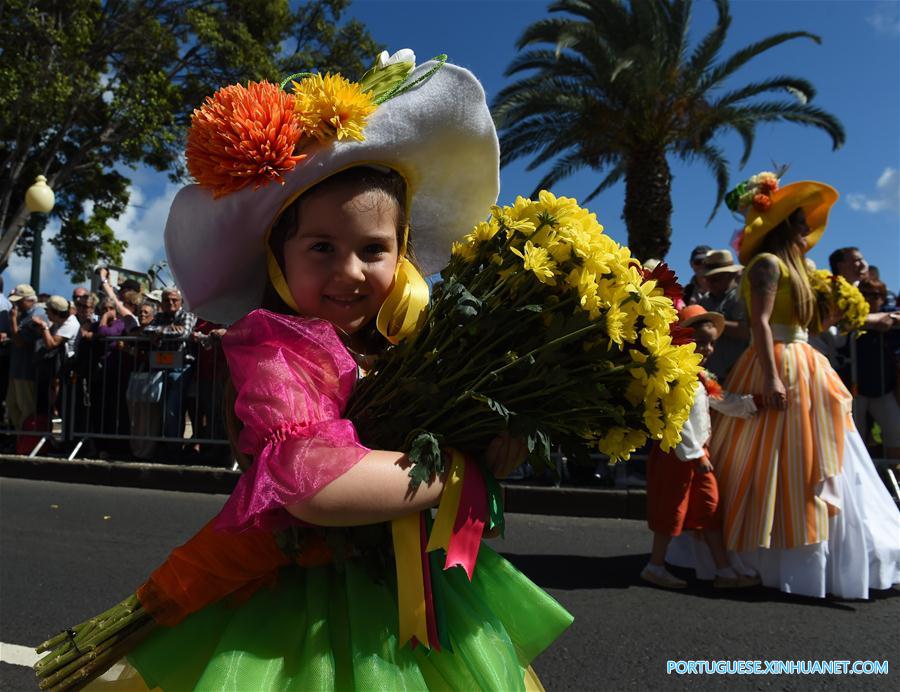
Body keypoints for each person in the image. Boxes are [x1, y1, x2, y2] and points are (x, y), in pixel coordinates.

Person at [82, 54, 572, 689]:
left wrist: (490, 447)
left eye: (374, 249)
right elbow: (314, 485)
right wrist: (460, 470)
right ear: (278, 260)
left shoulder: (411, 345)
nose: (349, 271)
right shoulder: (281, 350)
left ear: (405, 253)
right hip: (300, 604)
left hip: (409, 595)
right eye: (321, 248)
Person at [693, 174, 900, 599]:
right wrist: (769, 376)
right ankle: (760, 550)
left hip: (806, 363)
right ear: (787, 223)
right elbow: (761, 324)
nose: (808, 228)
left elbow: (812, 326)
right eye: (802, 220)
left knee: (820, 452)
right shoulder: (767, 265)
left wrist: (838, 309)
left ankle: (809, 552)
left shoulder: (804, 269)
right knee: (767, 455)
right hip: (776, 362)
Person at [641, 305, 760, 590]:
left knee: (705, 508)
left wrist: (753, 404)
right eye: (701, 342)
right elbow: (675, 420)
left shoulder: (699, 376)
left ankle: (722, 570)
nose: (707, 349)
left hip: (693, 455)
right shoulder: (675, 375)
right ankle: (657, 566)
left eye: (711, 343)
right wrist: (696, 456)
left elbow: (721, 400)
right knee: (675, 508)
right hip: (679, 454)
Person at [841, 278, 900, 460]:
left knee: (895, 432)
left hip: (883, 388)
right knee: (855, 436)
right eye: (865, 294)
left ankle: (893, 474)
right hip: (854, 390)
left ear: (883, 298)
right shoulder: (849, 312)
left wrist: (890, 318)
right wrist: (874, 322)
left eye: (875, 295)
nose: (870, 299)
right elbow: (846, 323)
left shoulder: (889, 313)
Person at [141, 286, 196, 449]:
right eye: (166, 300)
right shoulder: (159, 316)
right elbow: (147, 330)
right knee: (159, 407)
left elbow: (183, 333)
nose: (170, 303)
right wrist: (166, 330)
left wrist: (159, 333)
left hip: (181, 367)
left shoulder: (186, 314)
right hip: (160, 367)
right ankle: (165, 445)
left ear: (180, 302)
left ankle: (173, 448)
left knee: (173, 407)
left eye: (174, 300)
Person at [698, 249, 749, 380]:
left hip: (736, 374)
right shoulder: (705, 300)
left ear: (730, 275)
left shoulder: (740, 297)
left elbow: (745, 331)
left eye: (715, 279)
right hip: (711, 374)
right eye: (707, 279)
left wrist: (713, 323)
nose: (710, 283)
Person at [829, 247, 900, 332]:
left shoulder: (872, 288)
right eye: (857, 261)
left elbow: (894, 310)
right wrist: (883, 316)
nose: (864, 264)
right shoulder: (826, 289)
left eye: (863, 259)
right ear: (840, 265)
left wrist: (893, 317)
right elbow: (843, 320)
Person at [6, 284, 46, 430]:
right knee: (12, 405)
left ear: (30, 300)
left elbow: (20, 342)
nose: (16, 304)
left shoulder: (38, 315)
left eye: (19, 301)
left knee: (26, 407)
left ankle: (26, 440)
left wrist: (13, 321)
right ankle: (20, 438)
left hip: (27, 371)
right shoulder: (23, 314)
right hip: (16, 370)